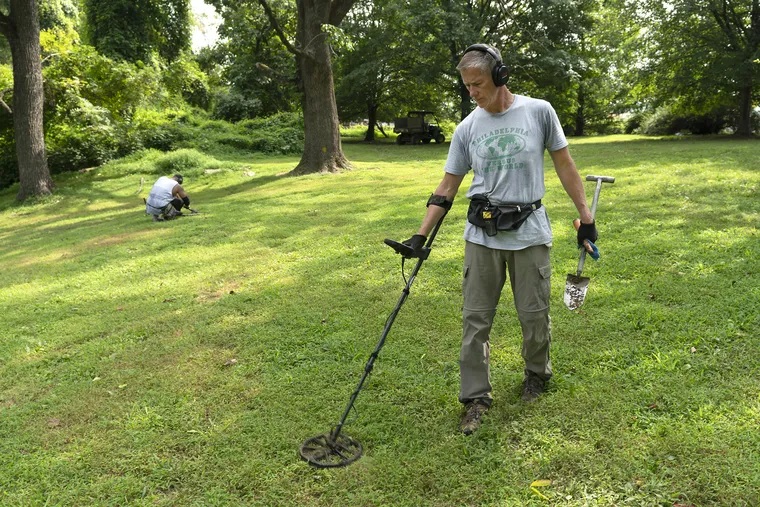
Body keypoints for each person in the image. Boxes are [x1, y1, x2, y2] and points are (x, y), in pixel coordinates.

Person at [400, 44, 598, 435]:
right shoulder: (467, 127)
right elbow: (448, 185)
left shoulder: (539, 111)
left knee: (534, 313)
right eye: (466, 86)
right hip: (482, 236)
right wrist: (420, 234)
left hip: (530, 233)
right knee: (475, 319)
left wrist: (585, 217)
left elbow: (564, 164)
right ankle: (476, 397)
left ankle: (537, 375)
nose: (472, 92)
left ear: (500, 76)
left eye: (478, 83)